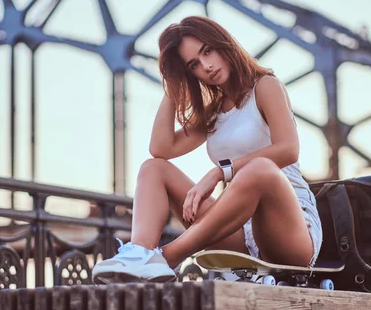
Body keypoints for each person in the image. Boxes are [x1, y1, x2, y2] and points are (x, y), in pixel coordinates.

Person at [92, 15, 322, 284]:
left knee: (260, 169)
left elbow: (288, 150)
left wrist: (220, 173)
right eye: (194, 65)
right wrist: (174, 85)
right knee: (152, 168)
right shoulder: (214, 112)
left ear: (221, 43)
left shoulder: (266, 86)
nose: (207, 66)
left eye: (207, 51)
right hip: (239, 231)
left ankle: (165, 258)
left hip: (290, 229)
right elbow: (160, 148)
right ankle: (139, 255)